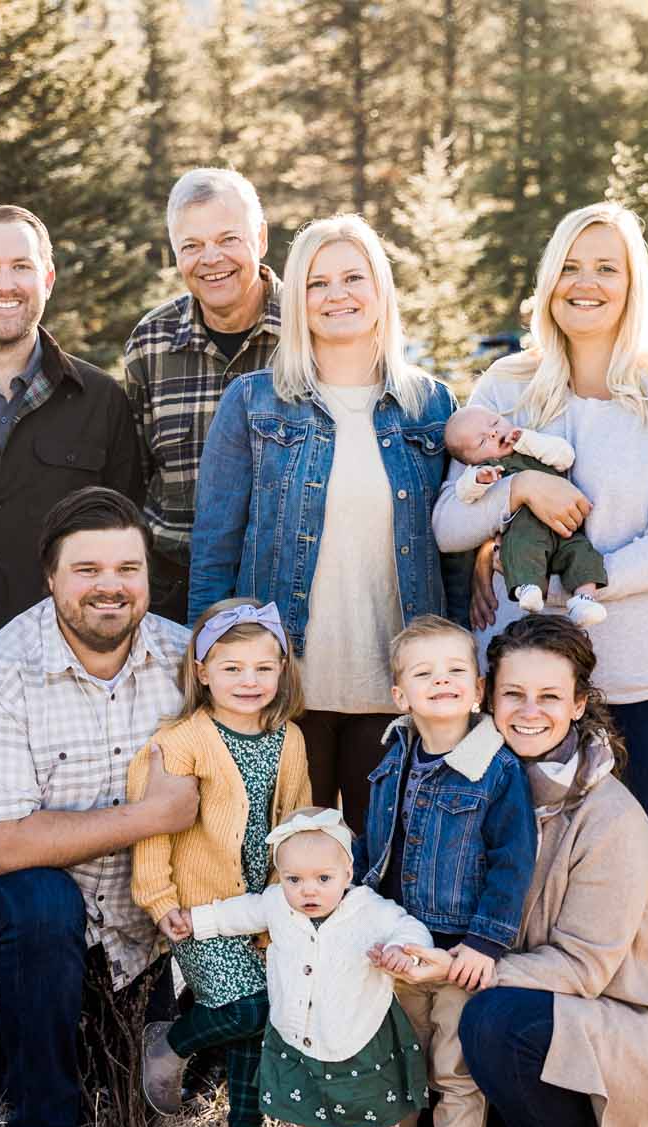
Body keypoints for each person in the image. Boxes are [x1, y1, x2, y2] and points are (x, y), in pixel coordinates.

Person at [433, 201, 648, 916]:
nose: (584, 283)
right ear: (547, 280)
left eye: (606, 268)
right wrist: (520, 489)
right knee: (508, 883)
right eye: (569, 266)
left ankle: (627, 1024)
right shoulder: (509, 385)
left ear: (634, 285)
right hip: (519, 683)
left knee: (624, 887)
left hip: (641, 681)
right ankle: (516, 1023)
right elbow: (447, 524)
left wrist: (577, 584)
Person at [0, 487, 201, 1127]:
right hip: (5, 880)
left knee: (134, 1092)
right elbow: (7, 844)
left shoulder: (187, 660)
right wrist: (149, 815)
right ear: (50, 578)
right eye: (86, 569)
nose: (109, 586)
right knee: (45, 907)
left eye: (127, 567)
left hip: (137, 890)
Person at [411, 613, 648, 1127]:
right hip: (514, 1000)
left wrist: (461, 965)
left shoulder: (610, 818)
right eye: (514, 694)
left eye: (549, 696)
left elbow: (583, 968)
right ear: (488, 695)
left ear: (578, 704)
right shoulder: (462, 784)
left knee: (491, 1017)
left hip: (611, 1016)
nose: (528, 711)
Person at [190, 213, 467, 831]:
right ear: (297, 300)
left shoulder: (431, 406)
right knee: (290, 869)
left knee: (380, 874)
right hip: (284, 686)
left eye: (352, 278)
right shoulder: (254, 402)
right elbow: (214, 550)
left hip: (397, 686)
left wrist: (459, 668)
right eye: (317, 283)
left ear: (380, 290)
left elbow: (452, 554)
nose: (337, 295)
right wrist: (203, 677)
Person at [354, 615, 537, 1127]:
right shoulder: (392, 756)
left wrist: (485, 942)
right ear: (400, 696)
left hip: (460, 945)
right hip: (400, 942)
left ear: (479, 690)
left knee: (453, 1068)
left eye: (457, 671)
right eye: (424, 673)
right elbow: (375, 849)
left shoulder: (497, 769)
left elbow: (513, 861)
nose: (443, 682)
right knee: (399, 1058)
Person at [129, 598, 312, 1127]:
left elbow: (298, 821)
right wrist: (160, 902)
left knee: (259, 1023)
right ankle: (171, 1045)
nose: (249, 681)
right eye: (232, 667)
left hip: (264, 909)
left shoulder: (289, 739)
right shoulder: (180, 742)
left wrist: (294, 898)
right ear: (202, 671)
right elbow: (154, 829)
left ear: (281, 670)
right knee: (254, 1010)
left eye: (263, 667)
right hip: (199, 909)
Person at [180, 808, 433, 1127]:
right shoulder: (278, 904)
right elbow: (241, 913)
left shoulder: (369, 909)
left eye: (323, 879)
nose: (307, 890)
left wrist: (403, 950)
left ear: (348, 872)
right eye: (294, 879)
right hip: (295, 1034)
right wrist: (196, 921)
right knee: (298, 1117)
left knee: (375, 1123)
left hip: (359, 1033)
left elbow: (409, 928)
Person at [0, 204, 142, 635]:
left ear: (48, 279)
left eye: (22, 266)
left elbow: (125, 544)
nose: (6, 285)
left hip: (63, 659)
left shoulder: (102, 401)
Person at [124, 168, 283, 621]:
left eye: (228, 239)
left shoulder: (310, 333)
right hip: (175, 588)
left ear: (261, 238)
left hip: (287, 585)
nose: (211, 258)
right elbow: (136, 474)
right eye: (192, 246)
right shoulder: (149, 343)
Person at [444, 404, 607, 623]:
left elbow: (564, 456)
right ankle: (528, 589)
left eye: (494, 423)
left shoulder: (532, 444)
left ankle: (584, 599)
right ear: (471, 460)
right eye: (482, 441)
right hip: (525, 531)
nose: (493, 433)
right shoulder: (480, 470)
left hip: (564, 531)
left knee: (582, 554)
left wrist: (525, 439)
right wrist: (478, 480)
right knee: (518, 551)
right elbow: (463, 493)